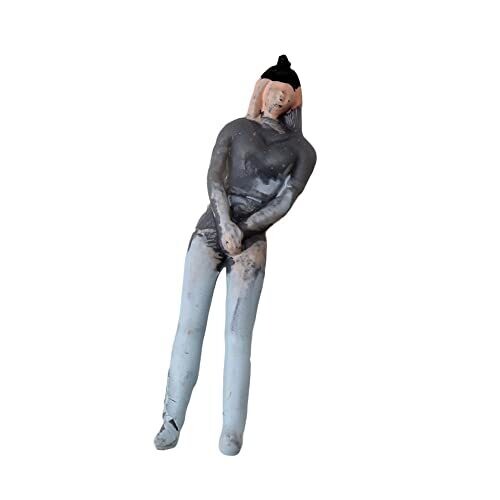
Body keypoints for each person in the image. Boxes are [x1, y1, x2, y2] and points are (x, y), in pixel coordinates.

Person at [154, 55, 317, 455]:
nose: (276, 99)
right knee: (188, 325)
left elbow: (285, 201)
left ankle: (231, 429)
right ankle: (171, 419)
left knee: (238, 335)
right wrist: (225, 222)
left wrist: (245, 229)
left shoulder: (302, 151)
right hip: (212, 228)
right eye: (272, 91)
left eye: (285, 95)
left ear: (294, 102)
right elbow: (214, 177)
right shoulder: (235, 129)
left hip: (252, 240)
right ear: (261, 92)